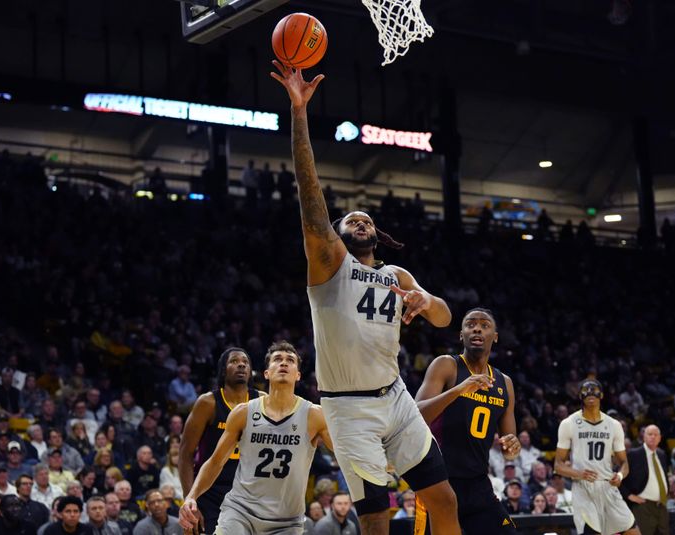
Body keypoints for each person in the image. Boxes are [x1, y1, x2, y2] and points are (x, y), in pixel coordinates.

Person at [271, 60, 460, 535]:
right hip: (348, 408)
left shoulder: (395, 272)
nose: (359, 219)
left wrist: (424, 300)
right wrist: (299, 112)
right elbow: (310, 200)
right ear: (334, 237)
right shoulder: (331, 268)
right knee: (375, 518)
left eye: (365, 218)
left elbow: (444, 318)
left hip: (395, 398)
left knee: (444, 498)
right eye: (348, 219)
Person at [179, 342, 331, 534]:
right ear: (266, 373)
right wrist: (191, 496)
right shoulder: (243, 412)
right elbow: (215, 461)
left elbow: (345, 455)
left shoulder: (314, 415)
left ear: (298, 375)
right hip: (241, 510)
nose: (283, 363)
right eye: (277, 359)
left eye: (290, 360)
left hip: (287, 520)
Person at [414, 308, 521, 533]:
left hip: (478, 484)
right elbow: (415, 416)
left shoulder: (505, 383)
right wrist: (460, 389)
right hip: (439, 482)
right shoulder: (446, 365)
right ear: (461, 335)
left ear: (495, 336)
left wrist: (513, 446)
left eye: (484, 324)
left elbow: (509, 449)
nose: (477, 328)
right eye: (470, 324)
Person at [179, 347, 261, 534]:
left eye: (245, 362)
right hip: (211, 492)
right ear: (223, 370)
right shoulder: (208, 403)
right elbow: (185, 455)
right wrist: (190, 500)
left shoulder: (261, 402)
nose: (241, 364)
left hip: (248, 491)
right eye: (234, 361)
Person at [553, 380, 640, 535]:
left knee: (633, 532)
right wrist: (578, 473)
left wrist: (619, 475)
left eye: (594, 390)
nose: (590, 393)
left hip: (608, 486)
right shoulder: (569, 423)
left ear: (602, 395)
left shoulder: (614, 425)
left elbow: (624, 463)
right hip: (583, 487)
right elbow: (558, 465)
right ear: (580, 395)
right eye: (586, 390)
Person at [620, 425, 669, 535]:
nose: (653, 437)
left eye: (655, 435)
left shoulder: (662, 454)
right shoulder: (634, 454)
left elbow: (663, 477)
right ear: (643, 437)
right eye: (650, 434)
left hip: (661, 505)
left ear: (660, 438)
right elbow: (618, 478)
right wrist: (629, 495)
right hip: (643, 506)